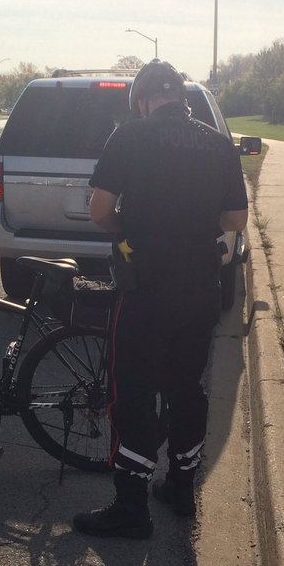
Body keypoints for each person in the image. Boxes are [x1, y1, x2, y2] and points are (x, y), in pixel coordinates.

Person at [72, 60, 248, 539]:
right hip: (200, 288)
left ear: (143, 101)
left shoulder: (129, 137)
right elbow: (235, 219)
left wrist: (128, 228)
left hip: (147, 289)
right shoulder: (217, 144)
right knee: (186, 389)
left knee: (132, 393)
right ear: (184, 100)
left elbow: (100, 211)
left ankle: (131, 507)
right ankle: (182, 488)